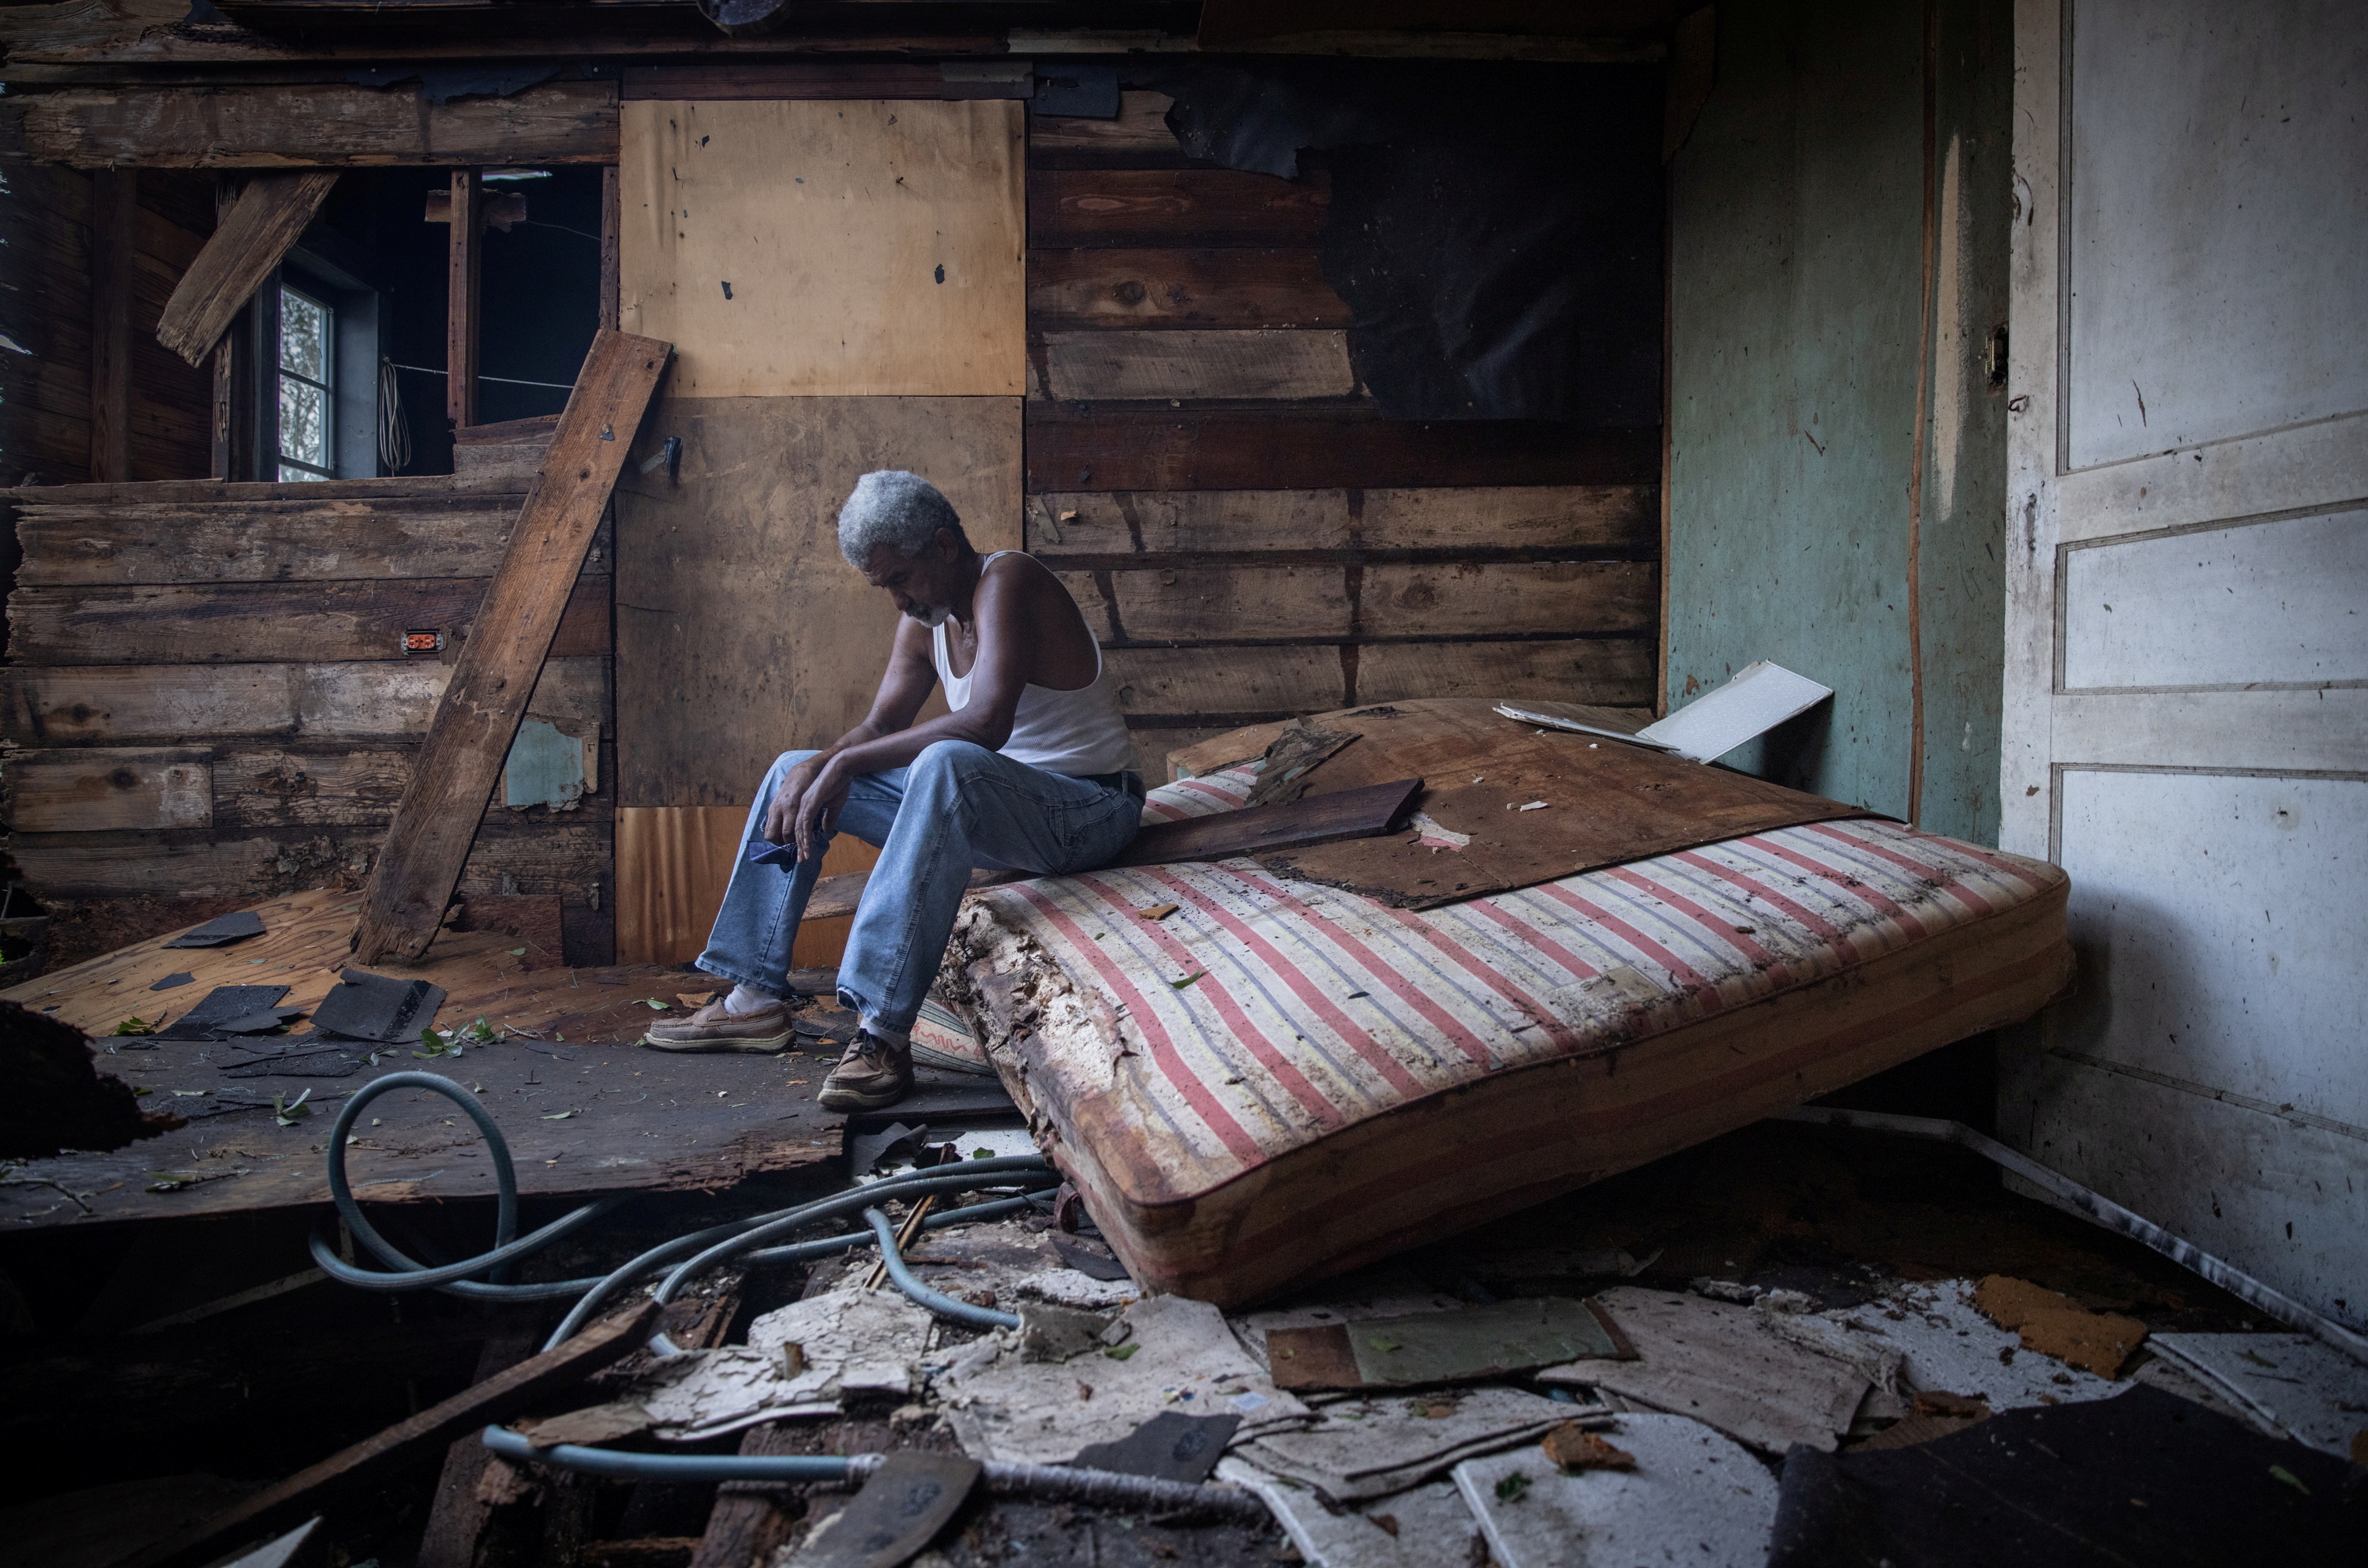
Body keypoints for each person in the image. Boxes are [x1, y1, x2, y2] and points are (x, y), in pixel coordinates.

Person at [643, 470, 1143, 1110]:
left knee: (945, 762)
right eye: (885, 588)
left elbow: (987, 722)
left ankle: (881, 1034)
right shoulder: (926, 619)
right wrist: (822, 763)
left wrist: (845, 764)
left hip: (1092, 809)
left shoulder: (1008, 581)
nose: (898, 600)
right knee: (792, 770)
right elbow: (880, 725)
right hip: (1003, 812)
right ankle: (752, 997)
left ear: (943, 544)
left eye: (900, 579)